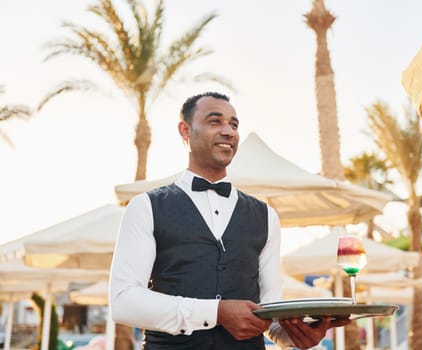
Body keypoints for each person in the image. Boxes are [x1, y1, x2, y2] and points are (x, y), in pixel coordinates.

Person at [109, 92, 352, 349]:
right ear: (185, 130)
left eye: (234, 125)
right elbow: (124, 302)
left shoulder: (266, 216)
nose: (229, 132)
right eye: (215, 122)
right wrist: (216, 312)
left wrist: (297, 336)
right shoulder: (146, 207)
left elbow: (270, 315)